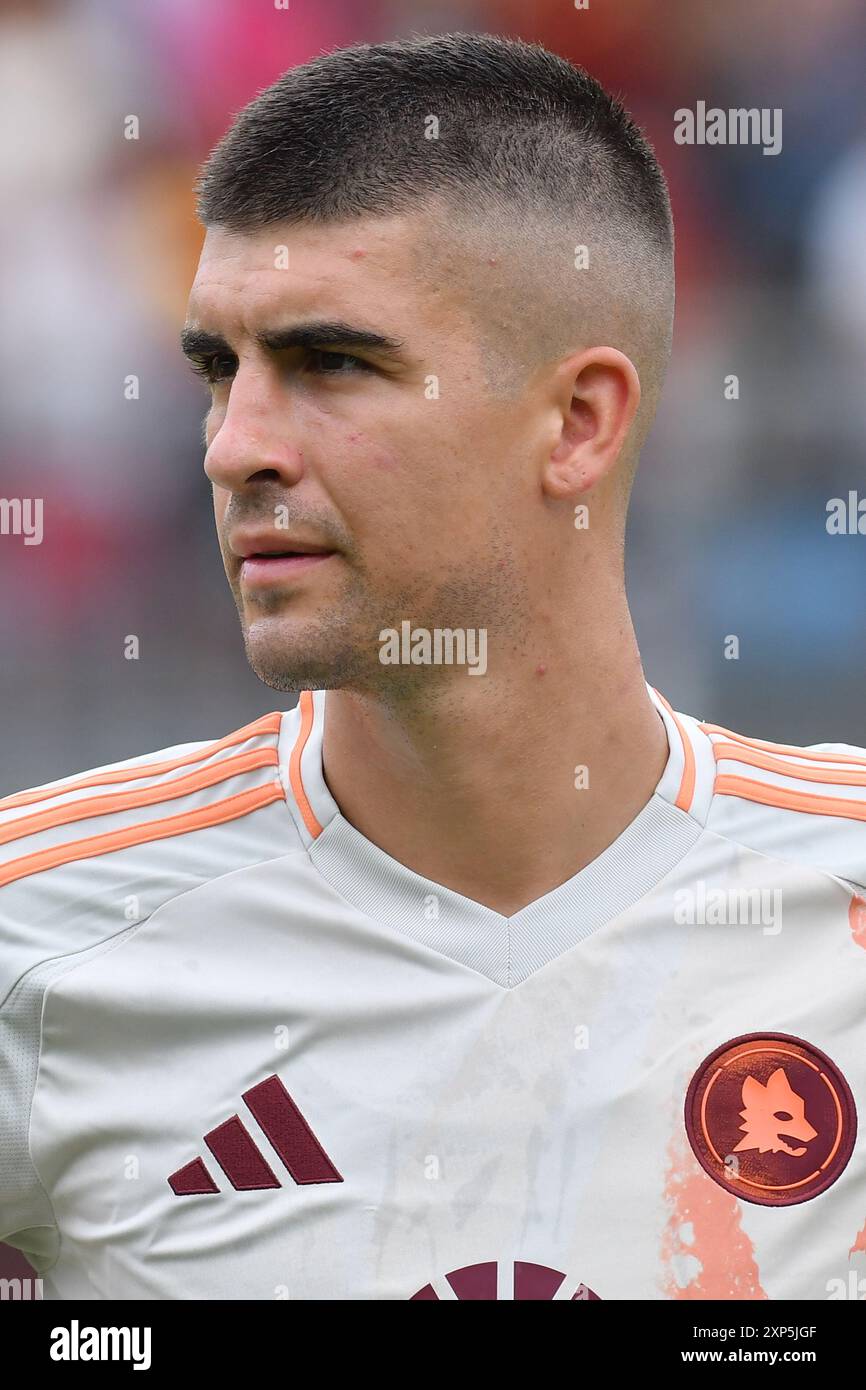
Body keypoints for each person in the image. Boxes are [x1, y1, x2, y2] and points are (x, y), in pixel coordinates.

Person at [1, 32, 863, 1302]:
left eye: (330, 363)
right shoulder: (45, 937)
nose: (233, 448)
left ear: (577, 421)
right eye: (217, 371)